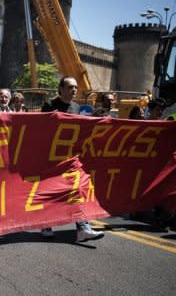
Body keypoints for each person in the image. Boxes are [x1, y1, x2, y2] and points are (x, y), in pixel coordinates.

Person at [40, 76, 105, 242]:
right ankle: (46, 224)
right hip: (52, 157)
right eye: (70, 87)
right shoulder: (49, 105)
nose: (74, 90)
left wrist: (94, 119)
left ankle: (83, 227)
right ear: (60, 89)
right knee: (51, 191)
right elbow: (41, 128)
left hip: (71, 158)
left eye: (75, 87)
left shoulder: (77, 107)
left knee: (77, 190)